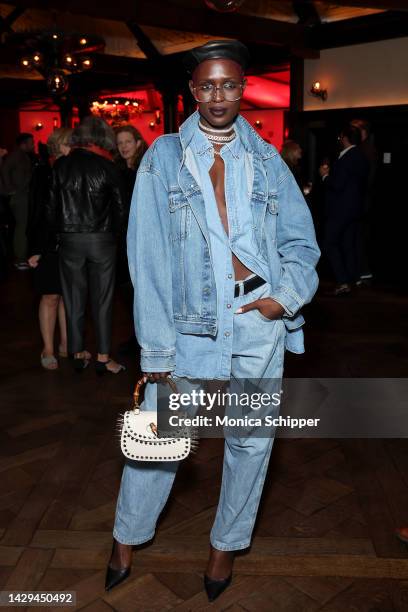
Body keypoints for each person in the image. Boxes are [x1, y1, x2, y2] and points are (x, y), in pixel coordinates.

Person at [107, 40, 320, 601]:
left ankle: (224, 547)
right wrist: (155, 352)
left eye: (228, 84)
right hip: (189, 323)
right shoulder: (164, 157)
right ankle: (126, 538)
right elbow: (146, 258)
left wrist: (285, 297)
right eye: (206, 85)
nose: (218, 95)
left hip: (258, 318)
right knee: (160, 438)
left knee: (250, 443)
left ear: (242, 87)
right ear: (193, 91)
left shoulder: (268, 158)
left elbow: (302, 243)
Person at [46, 116, 127, 374]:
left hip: (69, 239)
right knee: (103, 300)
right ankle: (103, 357)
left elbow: (49, 210)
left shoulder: (60, 166)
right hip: (102, 240)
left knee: (73, 298)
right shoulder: (107, 166)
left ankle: (78, 352)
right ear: (102, 137)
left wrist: (57, 238)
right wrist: (115, 236)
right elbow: (121, 210)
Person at [27, 128, 72, 370]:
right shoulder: (44, 172)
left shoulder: (75, 170)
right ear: (58, 146)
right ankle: (48, 348)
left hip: (72, 244)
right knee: (50, 296)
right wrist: (35, 248)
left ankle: (66, 344)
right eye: (68, 144)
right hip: (48, 245)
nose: (72, 148)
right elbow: (36, 213)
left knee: (68, 297)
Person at [320, 125, 369, 296]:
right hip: (355, 210)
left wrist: (325, 176)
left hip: (340, 210)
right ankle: (352, 278)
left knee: (329, 243)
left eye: (340, 137)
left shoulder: (346, 158)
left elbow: (337, 185)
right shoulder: (361, 156)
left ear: (345, 138)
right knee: (348, 244)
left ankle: (342, 281)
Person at [114, 125, 147, 354]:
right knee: (127, 288)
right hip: (122, 238)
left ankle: (145, 339)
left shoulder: (146, 169)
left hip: (143, 237)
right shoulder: (116, 170)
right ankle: (137, 336)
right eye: (120, 143)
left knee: (143, 290)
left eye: (127, 141)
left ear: (137, 142)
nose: (124, 146)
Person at [0, 133, 35, 269]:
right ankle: (20, 258)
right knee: (22, 226)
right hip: (19, 196)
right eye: (31, 142)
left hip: (22, 195)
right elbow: (4, 170)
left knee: (23, 226)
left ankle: (22, 256)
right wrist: (10, 189)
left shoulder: (23, 156)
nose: (33, 145)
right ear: (23, 144)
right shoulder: (16, 155)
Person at [350, 118, 378, 285]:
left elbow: (367, 180)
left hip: (361, 203)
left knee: (358, 238)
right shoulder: (363, 149)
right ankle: (360, 271)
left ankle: (362, 271)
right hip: (361, 202)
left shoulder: (365, 150)